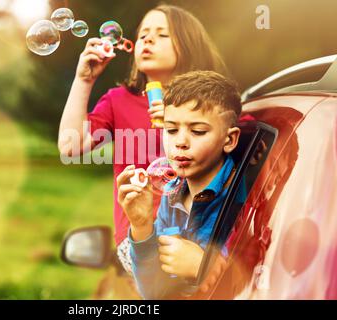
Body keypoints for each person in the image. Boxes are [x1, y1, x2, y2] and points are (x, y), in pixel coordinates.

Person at [58, 4, 226, 273]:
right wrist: (84, 80)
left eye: (162, 34)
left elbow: (234, 152)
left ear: (190, 45)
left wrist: (180, 121)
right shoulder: (118, 100)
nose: (147, 39)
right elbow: (70, 145)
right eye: (144, 33)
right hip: (138, 241)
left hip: (198, 242)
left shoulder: (211, 105)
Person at [116, 71, 243, 299]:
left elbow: (259, 280)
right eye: (171, 129)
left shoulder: (243, 196)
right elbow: (155, 293)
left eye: (197, 131)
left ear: (229, 139)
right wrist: (142, 225)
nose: (180, 142)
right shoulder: (172, 193)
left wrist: (204, 268)